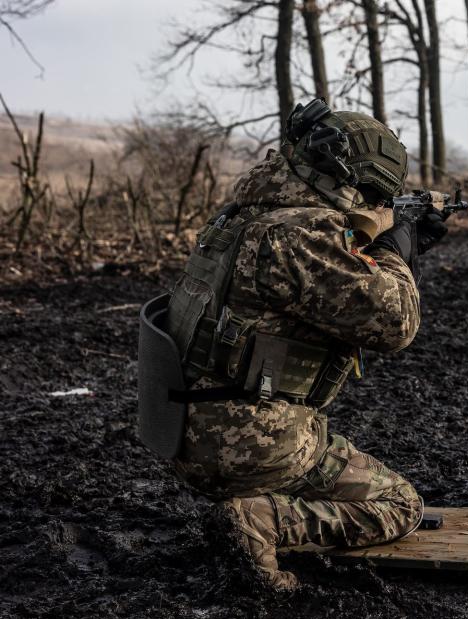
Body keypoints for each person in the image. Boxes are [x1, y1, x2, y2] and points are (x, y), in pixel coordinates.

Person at [160, 99, 447, 589]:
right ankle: (261, 520)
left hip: (188, 432)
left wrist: (375, 240)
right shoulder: (302, 235)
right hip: (253, 447)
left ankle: (248, 505)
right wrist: (395, 249)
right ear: (349, 181)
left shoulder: (239, 218)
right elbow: (398, 325)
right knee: (401, 505)